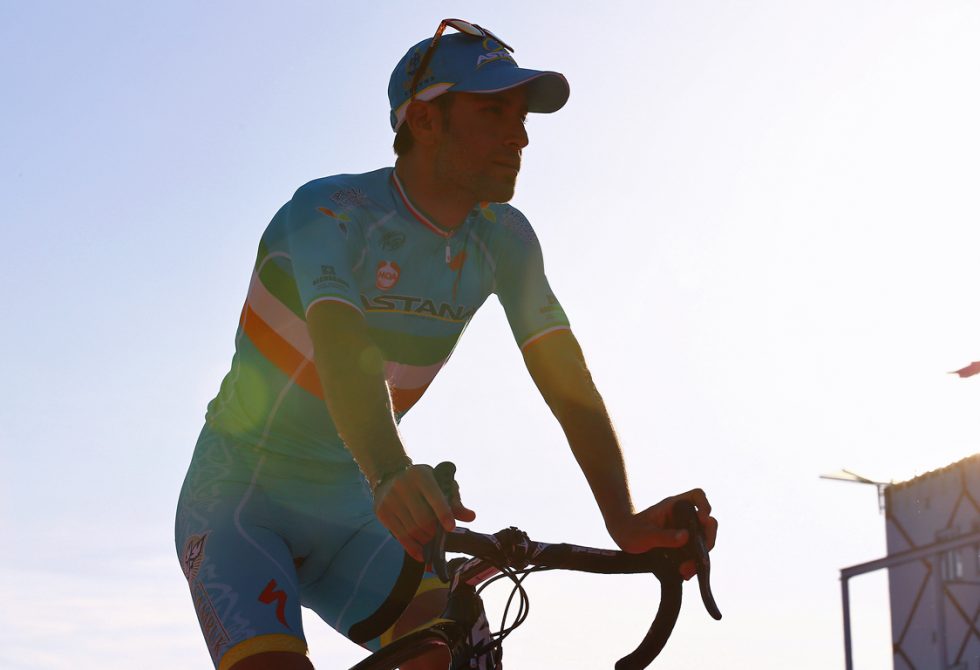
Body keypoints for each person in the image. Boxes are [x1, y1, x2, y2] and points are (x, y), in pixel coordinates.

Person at [175, 18, 718, 670]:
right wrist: (390, 472)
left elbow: (567, 383)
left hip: (356, 510)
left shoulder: (505, 239)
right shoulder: (327, 212)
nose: (520, 136)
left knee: (453, 646)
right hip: (241, 501)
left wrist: (623, 519)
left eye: (522, 117)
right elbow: (343, 344)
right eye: (494, 112)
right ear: (425, 120)